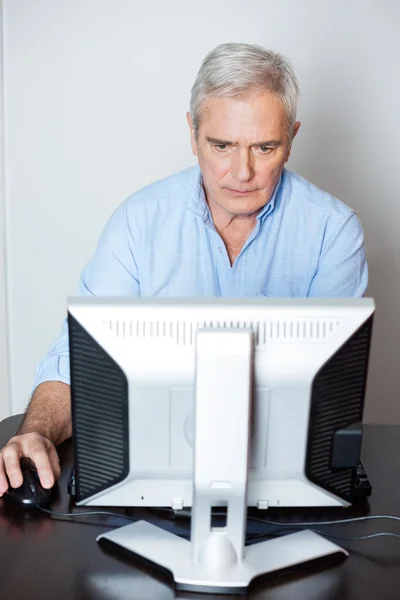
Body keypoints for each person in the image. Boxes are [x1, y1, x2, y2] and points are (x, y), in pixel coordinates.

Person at [0, 43, 368, 497]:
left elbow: (330, 395)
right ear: (192, 134)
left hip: (280, 479)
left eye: (265, 147)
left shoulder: (334, 232)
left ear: (291, 140)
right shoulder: (139, 222)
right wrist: (36, 431)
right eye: (221, 145)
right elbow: (76, 360)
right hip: (149, 475)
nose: (242, 171)